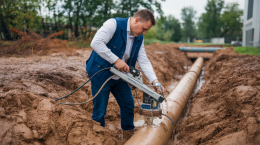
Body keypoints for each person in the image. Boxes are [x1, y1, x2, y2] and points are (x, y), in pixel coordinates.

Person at [86, 9, 165, 138]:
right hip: (101, 72)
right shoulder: (113, 24)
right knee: (100, 111)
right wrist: (116, 60)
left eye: (146, 31)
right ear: (137, 20)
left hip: (121, 75)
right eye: (144, 29)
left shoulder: (139, 38)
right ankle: (99, 138)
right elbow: (96, 43)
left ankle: (128, 136)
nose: (144, 33)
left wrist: (155, 81)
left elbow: (143, 60)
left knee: (128, 105)